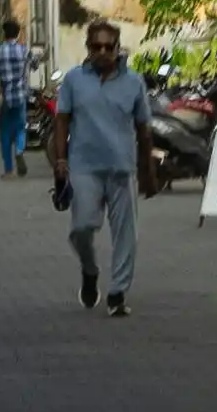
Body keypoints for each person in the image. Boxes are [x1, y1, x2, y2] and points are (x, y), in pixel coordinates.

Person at [53, 18, 148, 316]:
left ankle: (118, 294)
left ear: (118, 48)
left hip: (122, 168)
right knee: (81, 229)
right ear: (88, 48)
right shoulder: (73, 80)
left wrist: (149, 172)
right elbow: (62, 121)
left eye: (110, 46)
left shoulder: (134, 82)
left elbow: (144, 128)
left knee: (126, 236)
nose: (104, 51)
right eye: (97, 46)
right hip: (84, 168)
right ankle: (90, 270)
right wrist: (61, 160)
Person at [0, 16, 38, 176]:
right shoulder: (24, 50)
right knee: (21, 128)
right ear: (17, 33)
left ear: (4, 34)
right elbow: (35, 64)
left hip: (4, 98)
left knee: (6, 133)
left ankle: (8, 170)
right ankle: (20, 150)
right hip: (21, 96)